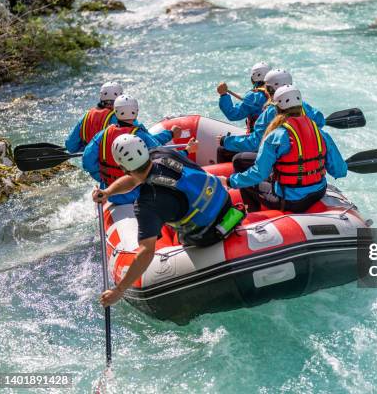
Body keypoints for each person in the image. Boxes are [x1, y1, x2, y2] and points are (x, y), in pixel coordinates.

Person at [94, 134, 244, 307]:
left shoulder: (146, 203)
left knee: (176, 232)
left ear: (122, 167)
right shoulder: (162, 153)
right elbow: (136, 177)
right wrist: (108, 193)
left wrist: (118, 291)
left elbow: (146, 252)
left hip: (207, 234)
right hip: (225, 203)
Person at [218, 85, 347, 213]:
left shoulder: (276, 136)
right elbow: (339, 171)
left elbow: (259, 174)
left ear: (277, 108)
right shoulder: (321, 134)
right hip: (318, 193)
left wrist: (230, 181)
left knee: (248, 182)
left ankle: (252, 215)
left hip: (290, 201)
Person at [82, 95, 181, 205]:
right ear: (136, 113)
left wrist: (103, 179)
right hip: (137, 193)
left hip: (111, 194)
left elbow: (87, 161)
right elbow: (162, 155)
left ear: (115, 112)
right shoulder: (140, 135)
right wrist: (183, 149)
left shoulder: (103, 134)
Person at [216, 69, 326, 166]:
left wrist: (226, 141)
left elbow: (256, 142)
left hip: (276, 158)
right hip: (301, 158)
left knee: (233, 157)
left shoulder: (269, 111)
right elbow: (320, 121)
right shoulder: (303, 106)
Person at [65, 82, 123, 153]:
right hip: (109, 158)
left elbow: (70, 146)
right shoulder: (121, 116)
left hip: (89, 157)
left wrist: (87, 147)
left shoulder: (87, 115)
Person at [217, 61, 271, 132]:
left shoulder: (254, 96)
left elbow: (233, 114)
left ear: (253, 79)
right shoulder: (277, 92)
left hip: (258, 139)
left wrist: (223, 95)